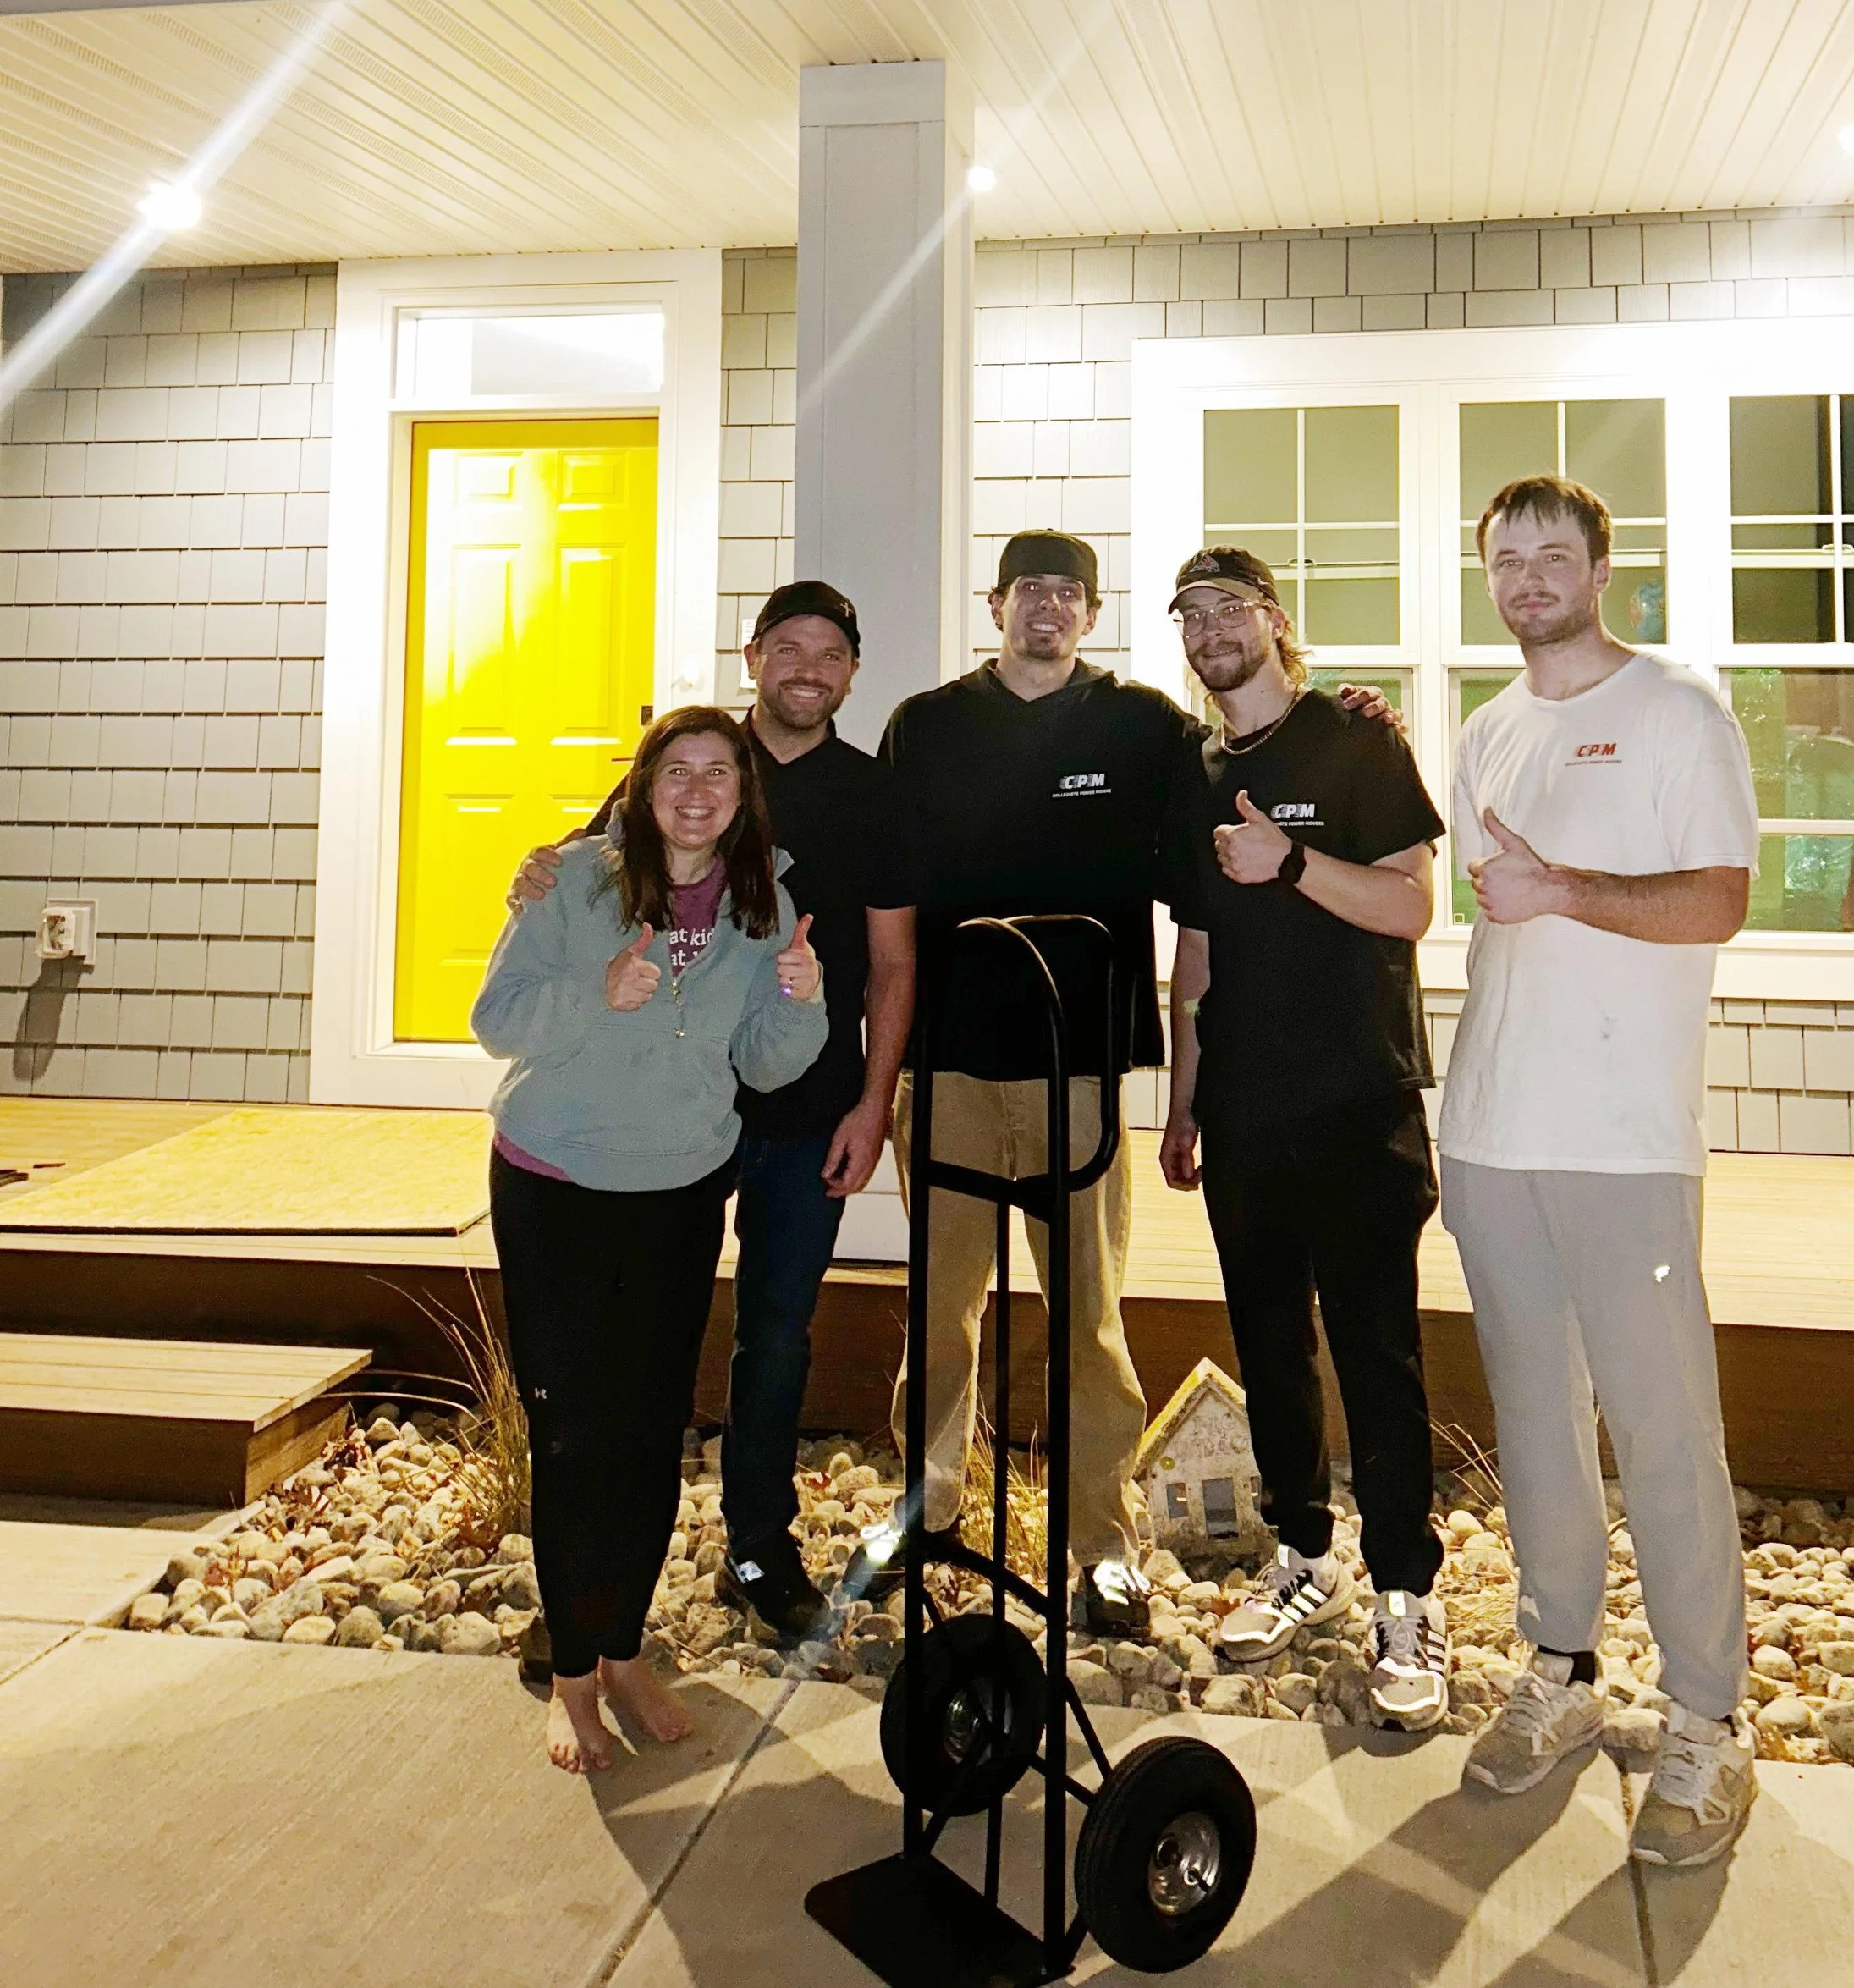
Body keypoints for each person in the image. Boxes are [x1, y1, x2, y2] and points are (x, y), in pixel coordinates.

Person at [875, 531, 1404, 1638]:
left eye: (1070, 593)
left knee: (1088, 1316)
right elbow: (868, 884)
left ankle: (1102, 1548)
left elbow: (1247, 765)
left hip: (1080, 1068)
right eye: (1030, 591)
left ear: (1093, 612)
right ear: (997, 603)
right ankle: (926, 1509)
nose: (1048, 609)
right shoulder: (926, 728)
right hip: (952, 1064)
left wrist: (1357, 716)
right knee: (943, 1306)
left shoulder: (1146, 731)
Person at [1442, 475, 1761, 1870]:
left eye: (1550, 555)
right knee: (1535, 1414)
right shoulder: (1487, 731)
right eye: (1505, 560)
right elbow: (1489, 911)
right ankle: (1559, 1670)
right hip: (1491, 1129)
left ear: (1598, 566)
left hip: (1624, 1142)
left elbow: (1721, 896)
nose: (1525, 579)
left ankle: (1710, 1717)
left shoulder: (1680, 709)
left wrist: (1566, 883)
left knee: (1664, 1421)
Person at [509, 580, 916, 1644]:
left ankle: (757, 1544)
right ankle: (590, 1599)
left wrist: (874, 1104)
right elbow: (591, 876)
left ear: (852, 673)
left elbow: (890, 962)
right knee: (625, 1357)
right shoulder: (693, 766)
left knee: (775, 1333)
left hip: (801, 1104)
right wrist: (533, 872)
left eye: (830, 652)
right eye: (788, 647)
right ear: (753, 658)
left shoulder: (875, 795)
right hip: (657, 1125)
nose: (807, 668)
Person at [472, 705, 826, 1774]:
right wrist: (596, 991)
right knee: (574, 1434)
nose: (698, 789)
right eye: (678, 769)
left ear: (740, 796)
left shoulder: (765, 900)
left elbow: (766, 1065)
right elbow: (497, 1017)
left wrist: (802, 1004)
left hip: (679, 1189)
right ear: (645, 784)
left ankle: (624, 1648)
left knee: (650, 1427)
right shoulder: (574, 880)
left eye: (720, 772)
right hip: (558, 1188)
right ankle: (570, 1675)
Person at [1158, 548, 1451, 1730]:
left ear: (1276, 623)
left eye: (1231, 605)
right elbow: (1198, 952)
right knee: (1270, 1346)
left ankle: (1405, 1593)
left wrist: (1290, 861)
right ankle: (1304, 1558)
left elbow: (1412, 904)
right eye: (1191, 612)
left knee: (1377, 1350)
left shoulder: (1357, 739)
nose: (1212, 626)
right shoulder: (1196, 772)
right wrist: (1182, 1100)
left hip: (1358, 1101)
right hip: (1243, 1111)